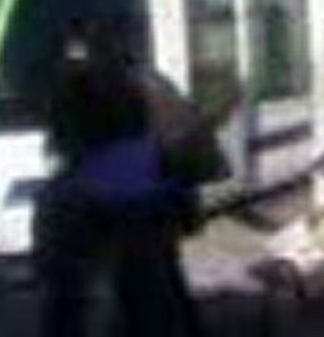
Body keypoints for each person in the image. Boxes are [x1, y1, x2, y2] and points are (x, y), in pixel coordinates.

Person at [35, 19, 232, 337]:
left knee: (93, 297)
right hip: (148, 200)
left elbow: (59, 288)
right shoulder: (146, 83)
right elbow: (181, 135)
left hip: (108, 204)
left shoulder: (84, 87)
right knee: (161, 285)